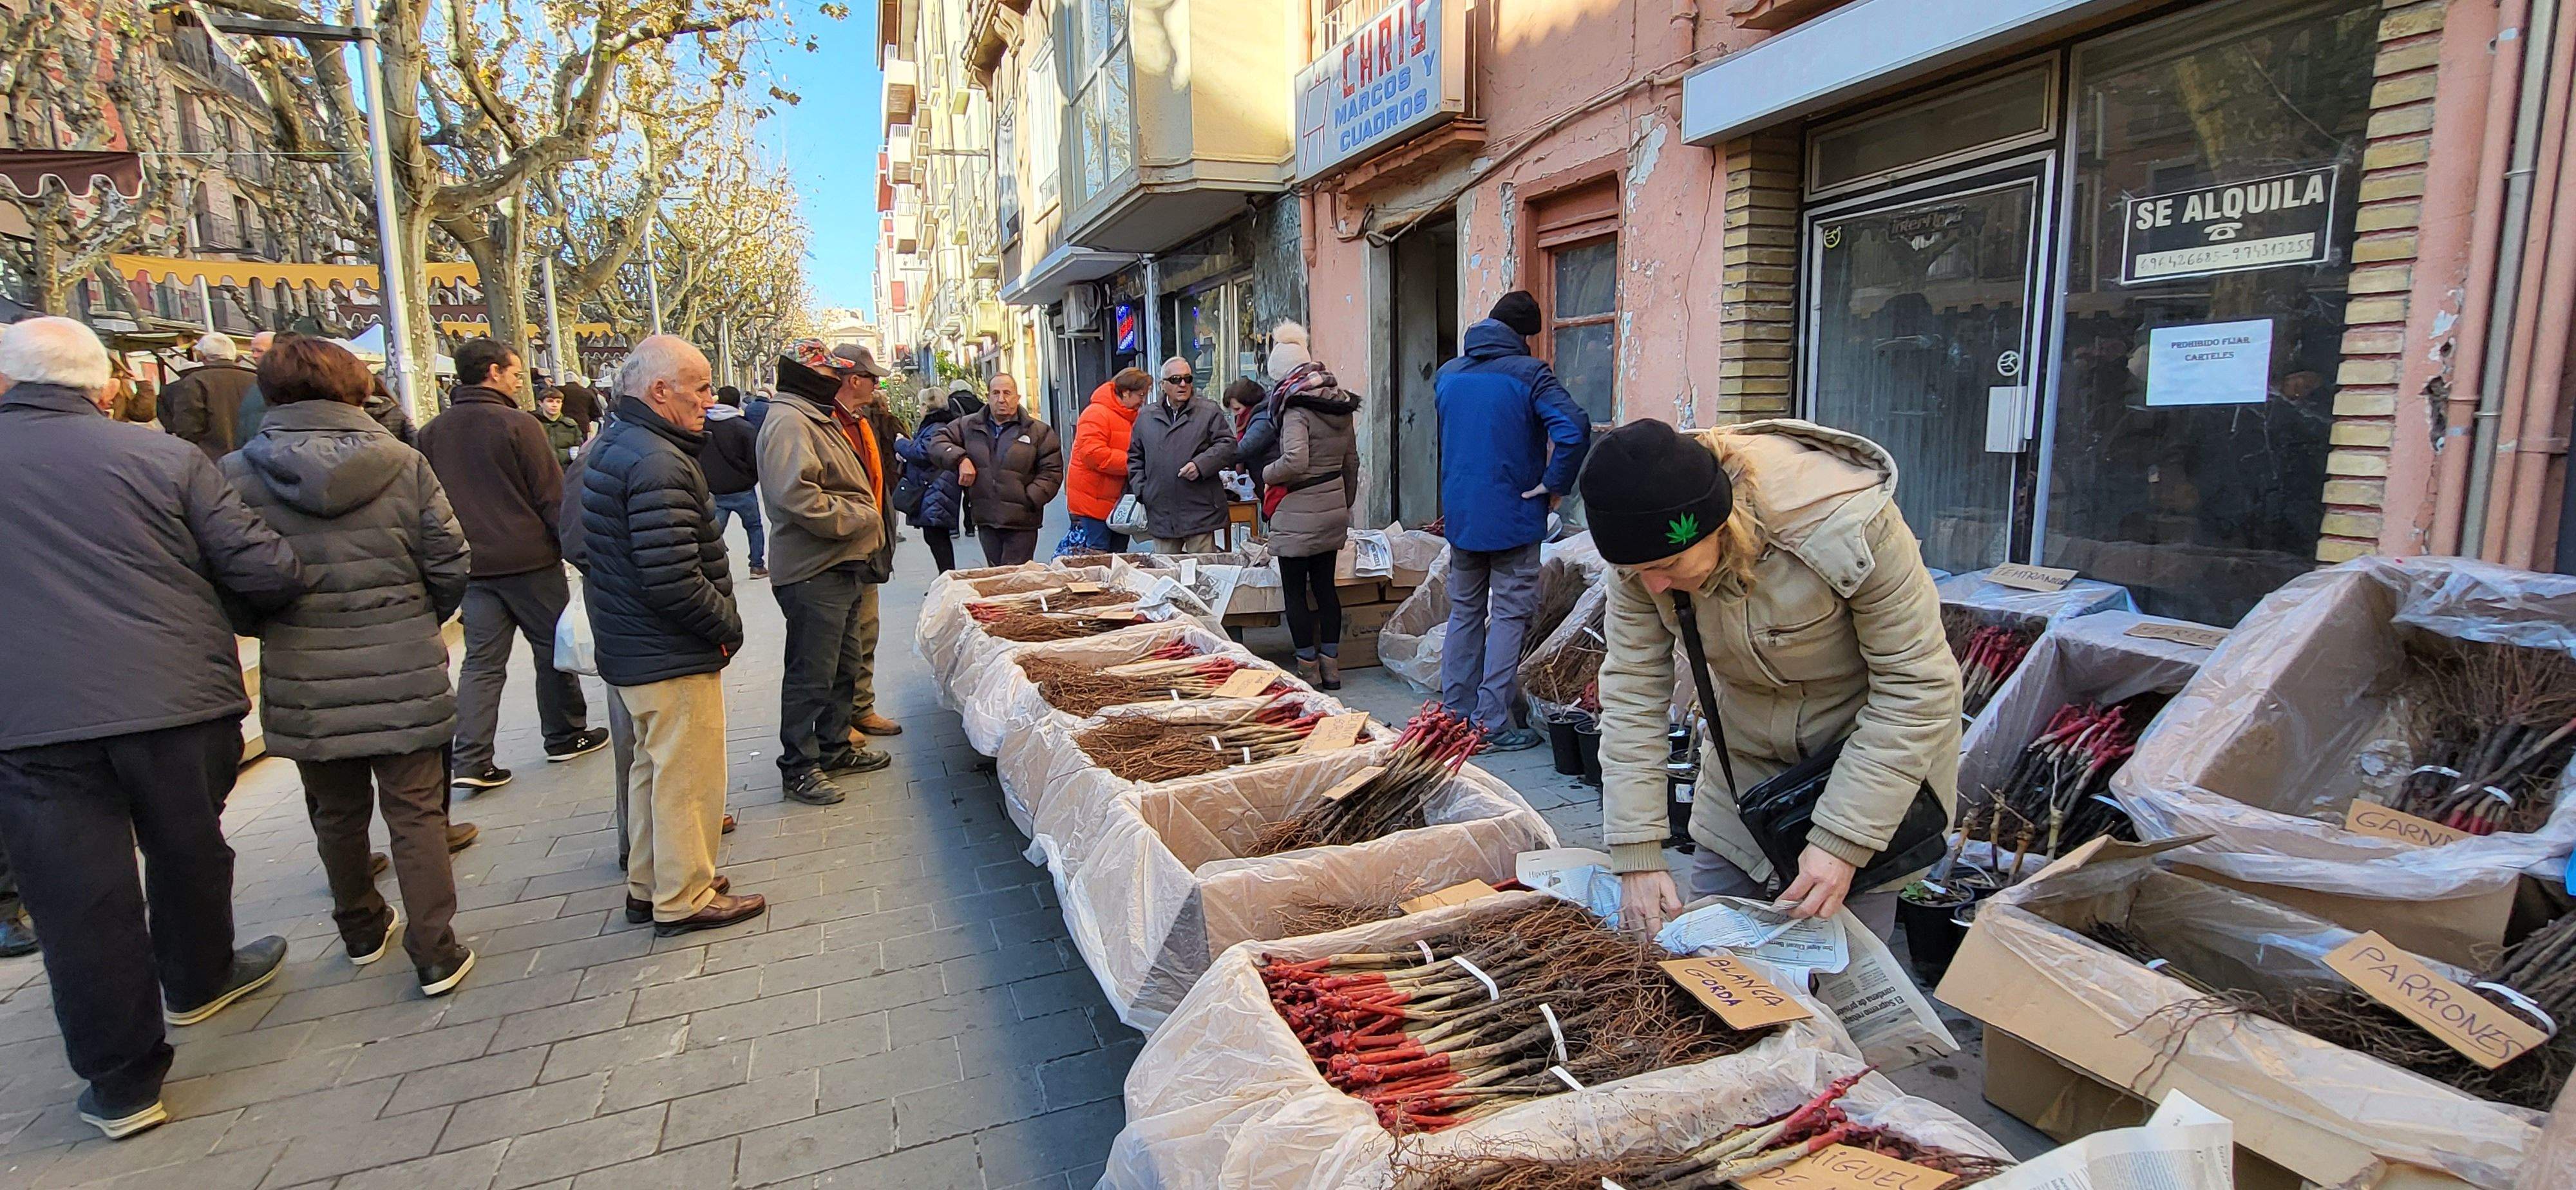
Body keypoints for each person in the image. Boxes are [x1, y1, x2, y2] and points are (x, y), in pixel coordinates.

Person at [0, 317, 306, 1139]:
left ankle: (124, 1080)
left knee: (78, 897)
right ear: (103, 387)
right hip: (175, 700)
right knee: (187, 845)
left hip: (29, 724)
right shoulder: (163, 458)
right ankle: (200, 974)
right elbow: (263, 568)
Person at [1582, 419, 1960, 938]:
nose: (1654, 584)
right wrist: (1636, 852)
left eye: (1668, 564)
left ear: (1717, 524)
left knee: (1836, 979)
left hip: (1866, 772)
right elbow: (1632, 691)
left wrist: (1841, 840)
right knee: (1709, 966)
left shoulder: (1850, 528)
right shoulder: (1640, 552)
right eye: (1637, 571)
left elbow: (1919, 687)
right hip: (1744, 775)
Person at [223, 335, 479, 997]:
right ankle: (435, 950)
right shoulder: (401, 462)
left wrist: (273, 628)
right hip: (400, 659)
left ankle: (361, 928)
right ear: (354, 388)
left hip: (304, 669)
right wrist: (417, 619)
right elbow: (450, 559)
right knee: (417, 812)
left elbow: (228, 580)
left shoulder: (235, 474)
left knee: (334, 812)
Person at [580, 335, 762, 937]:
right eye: (702, 387)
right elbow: (673, 578)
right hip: (666, 646)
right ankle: (684, 895)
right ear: (661, 391)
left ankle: (651, 881)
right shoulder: (657, 460)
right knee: (686, 776)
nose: (709, 401)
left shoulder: (620, 444)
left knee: (652, 770)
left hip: (635, 642)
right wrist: (726, 629)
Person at [418, 337, 607, 789]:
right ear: (493, 372)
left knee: (482, 662)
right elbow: (550, 495)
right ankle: (564, 733)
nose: (521, 379)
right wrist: (574, 549)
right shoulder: (518, 425)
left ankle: (470, 757)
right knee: (551, 650)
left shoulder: (431, 432)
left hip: (471, 565)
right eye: (516, 372)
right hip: (528, 560)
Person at [1435, 291, 1593, 753]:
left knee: (1464, 613)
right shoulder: (1530, 374)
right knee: (1507, 616)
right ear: (1524, 336)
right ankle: (1492, 722)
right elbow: (1574, 427)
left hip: (1463, 515)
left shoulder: (1449, 376)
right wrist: (1553, 483)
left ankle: (1453, 713)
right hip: (1513, 513)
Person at [761, 341, 897, 806]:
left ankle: (835, 747)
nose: (838, 380)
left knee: (842, 666)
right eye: (829, 373)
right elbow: (795, 495)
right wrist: (859, 517)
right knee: (811, 673)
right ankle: (799, 766)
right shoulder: (789, 420)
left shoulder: (814, 415)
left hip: (840, 566)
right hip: (813, 569)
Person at [1259, 323, 1361, 690]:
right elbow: (1352, 462)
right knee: (1325, 588)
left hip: (1298, 509)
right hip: (1332, 505)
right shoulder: (1340, 405)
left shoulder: (1295, 409)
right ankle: (1332, 668)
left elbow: (1295, 461)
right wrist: (1344, 502)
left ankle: (1307, 668)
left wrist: (1267, 473)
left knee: (1294, 591)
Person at [929, 372, 1062, 565]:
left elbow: (1052, 471)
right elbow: (937, 443)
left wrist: (1029, 498)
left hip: (1021, 522)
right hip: (986, 519)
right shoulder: (969, 426)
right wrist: (961, 459)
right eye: (996, 393)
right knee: (995, 575)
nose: (1002, 399)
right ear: (988, 397)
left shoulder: (1039, 432)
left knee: (1016, 579)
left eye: (1007, 393)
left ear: (1017, 397)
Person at [1126, 356, 1236, 553]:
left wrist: (1200, 465)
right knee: (1166, 575)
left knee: (1204, 575)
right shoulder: (1146, 417)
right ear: (1163, 385)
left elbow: (1228, 445)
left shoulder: (1208, 411)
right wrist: (1144, 491)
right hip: (1162, 511)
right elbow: (1135, 457)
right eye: (1176, 379)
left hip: (1199, 509)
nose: (1183, 384)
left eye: (1188, 379)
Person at [896, 386, 978, 573]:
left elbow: (922, 452)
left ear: (927, 405)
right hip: (937, 486)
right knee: (936, 536)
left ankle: (947, 580)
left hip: (936, 487)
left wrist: (900, 443)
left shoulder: (936, 427)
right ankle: (945, 579)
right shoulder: (941, 424)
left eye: (921, 404)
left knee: (937, 537)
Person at [1067, 368, 1150, 552]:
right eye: (1141, 395)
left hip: (1116, 502)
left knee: (1118, 557)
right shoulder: (1096, 413)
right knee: (1099, 556)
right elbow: (1094, 455)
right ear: (1126, 392)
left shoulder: (1131, 417)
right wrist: (1135, 464)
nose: (1143, 401)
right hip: (1093, 503)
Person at [160, 331, 259, 461]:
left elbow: (187, 428)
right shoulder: (256, 379)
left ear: (201, 355)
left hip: (212, 460)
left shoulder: (195, 381)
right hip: (254, 456)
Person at [701, 386, 766, 578]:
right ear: (738, 402)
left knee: (715, 531)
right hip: (743, 488)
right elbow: (755, 458)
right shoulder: (744, 427)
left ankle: (711, 565)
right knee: (754, 527)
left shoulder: (705, 425)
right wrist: (752, 478)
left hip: (716, 489)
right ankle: (757, 565)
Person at [539, 386, 585, 467]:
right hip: (541, 469)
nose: (554, 405)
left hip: (565, 470)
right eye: (550, 401)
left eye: (558, 402)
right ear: (541, 403)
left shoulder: (571, 425)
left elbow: (580, 447)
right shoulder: (534, 423)